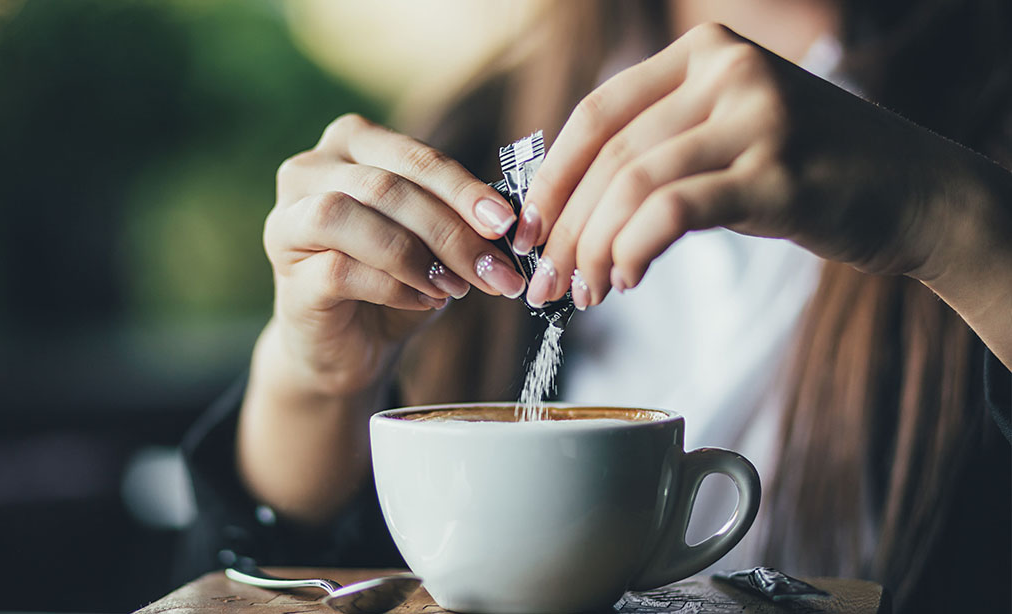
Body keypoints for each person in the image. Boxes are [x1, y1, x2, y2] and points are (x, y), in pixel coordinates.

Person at [177, 1, 1012, 611]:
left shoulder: (979, 124)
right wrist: (314, 383)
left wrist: (953, 220)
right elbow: (275, 576)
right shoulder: (472, 138)